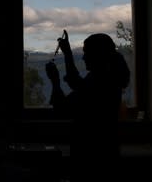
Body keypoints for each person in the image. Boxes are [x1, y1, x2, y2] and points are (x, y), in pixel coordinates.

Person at [45, 30, 130, 181]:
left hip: (90, 159)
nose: (83, 57)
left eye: (87, 53)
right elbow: (78, 84)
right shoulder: (106, 79)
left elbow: (62, 109)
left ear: (98, 55)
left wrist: (55, 82)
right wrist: (68, 54)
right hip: (106, 155)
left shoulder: (100, 82)